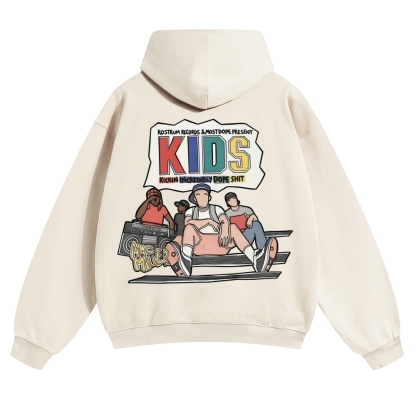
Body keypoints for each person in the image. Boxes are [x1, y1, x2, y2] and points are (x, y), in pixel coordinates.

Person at [165, 183, 277, 276]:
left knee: (232, 227)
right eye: (198, 195)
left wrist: (224, 229)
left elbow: (224, 220)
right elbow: (188, 222)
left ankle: (256, 260)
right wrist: (208, 221)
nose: (202, 197)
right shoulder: (191, 211)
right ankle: (185, 262)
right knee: (188, 229)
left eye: (205, 194)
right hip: (199, 244)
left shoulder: (217, 209)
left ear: (209, 197)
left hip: (220, 242)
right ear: (195, 198)